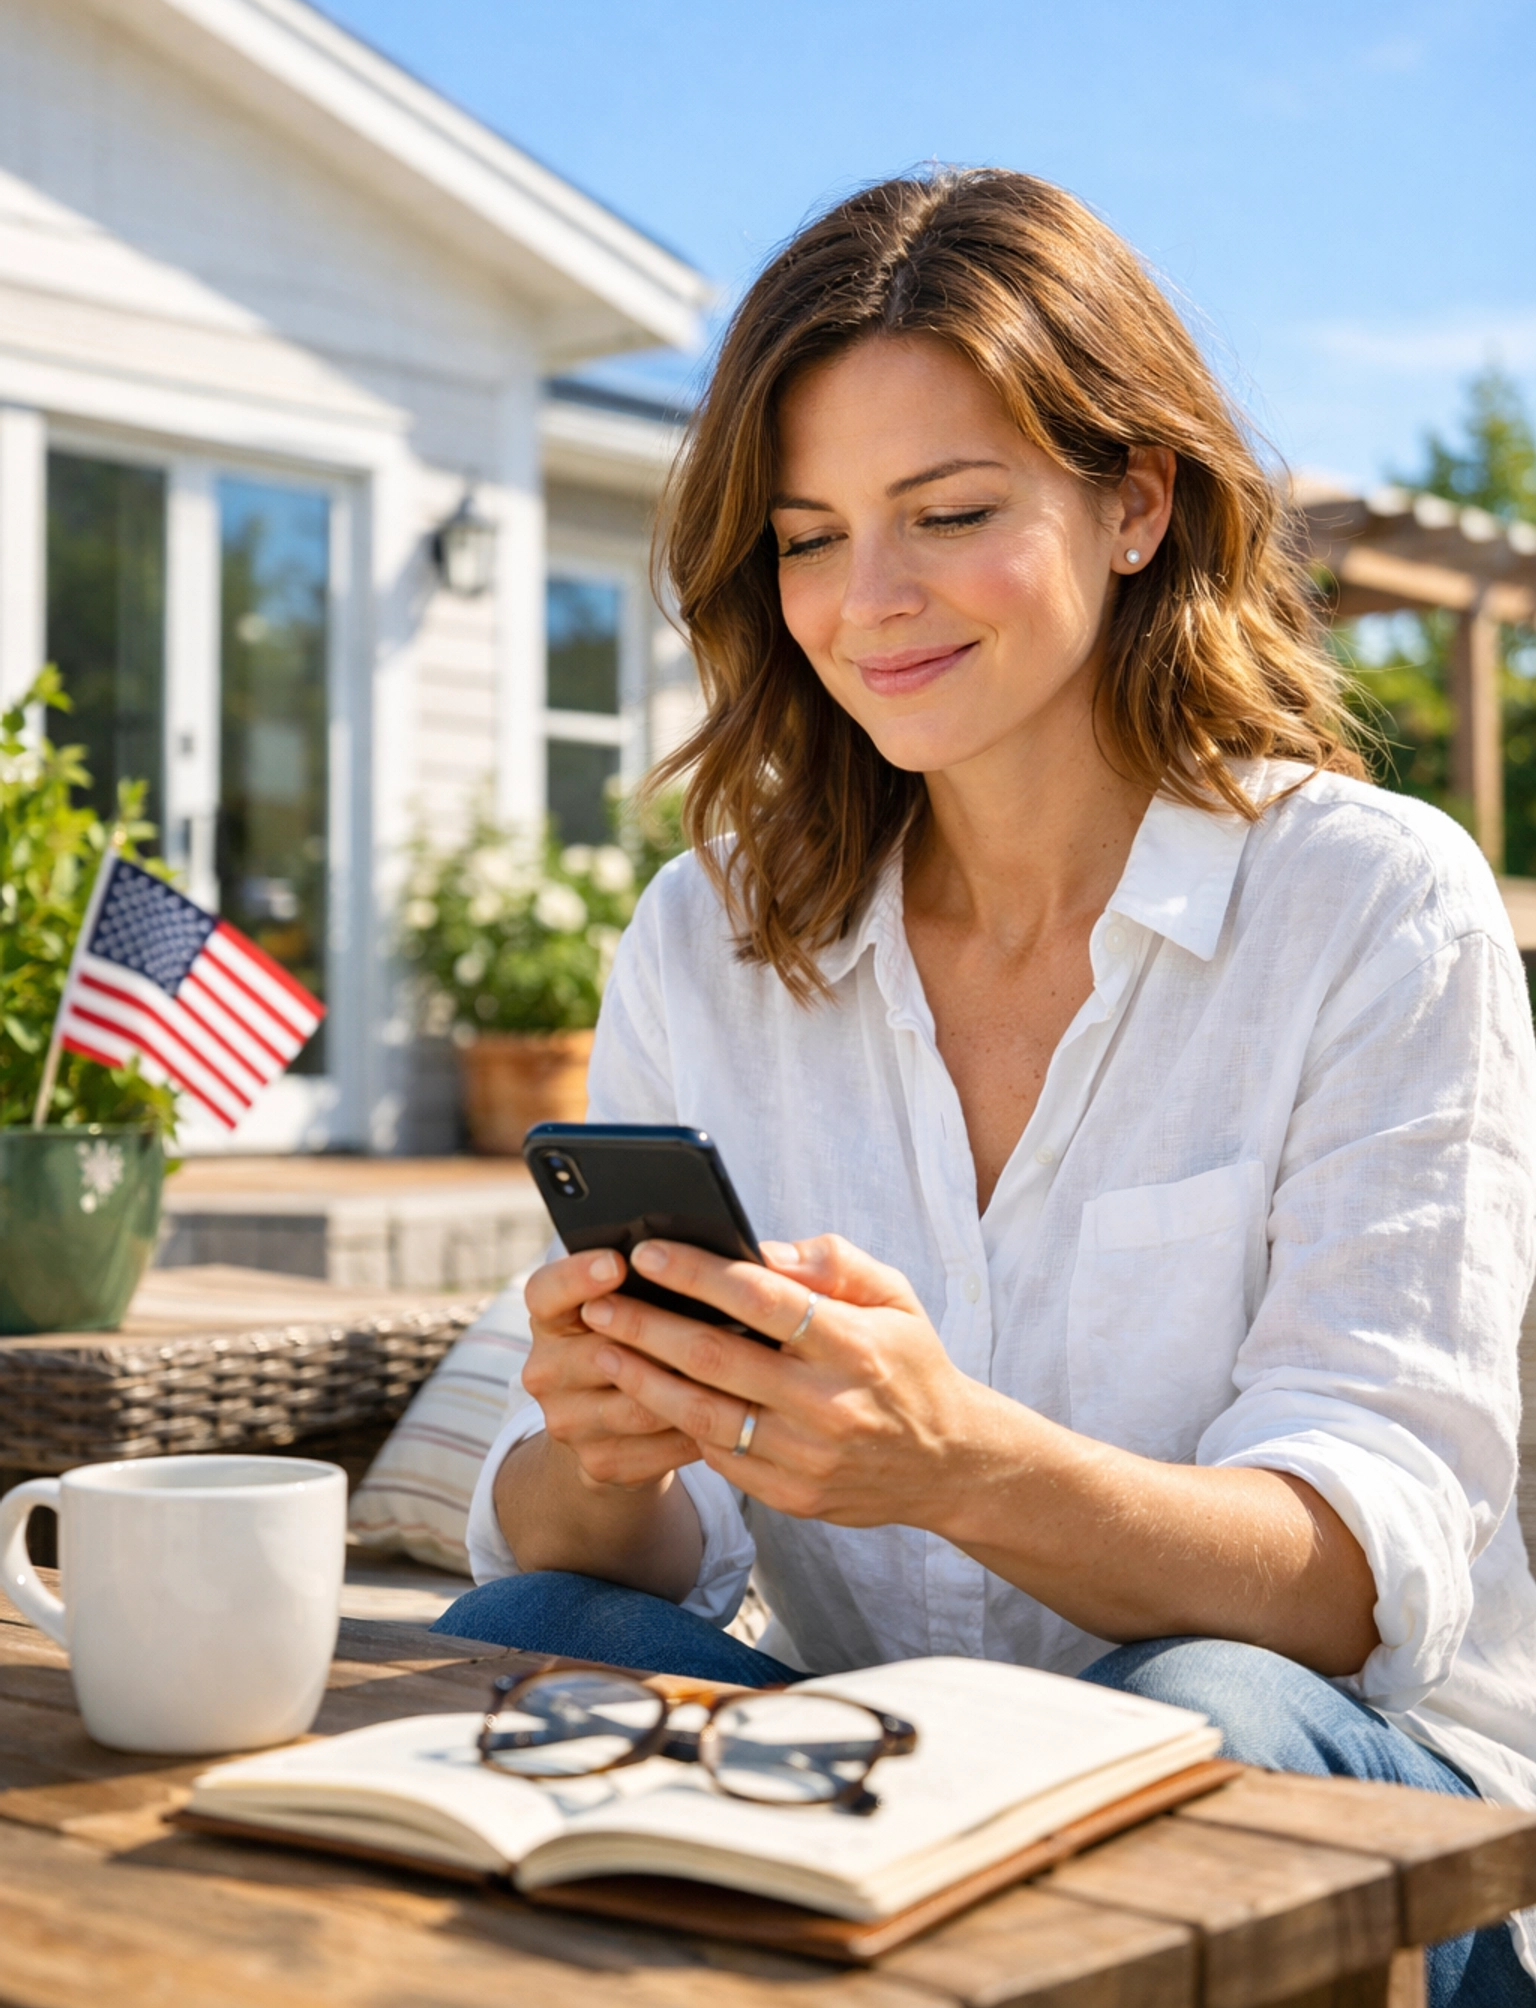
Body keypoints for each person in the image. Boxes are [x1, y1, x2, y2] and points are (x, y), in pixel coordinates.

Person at [437, 170, 1536, 2006]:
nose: (868, 604)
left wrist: (958, 1464)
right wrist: (603, 1444)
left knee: (1191, 1717)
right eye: (806, 538)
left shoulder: (1372, 904)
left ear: (1133, 501)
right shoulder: (707, 936)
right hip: (897, 1788)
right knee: (532, 1630)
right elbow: (620, 1556)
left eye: (949, 512)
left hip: (1345, 1823)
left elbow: (1351, 1588)